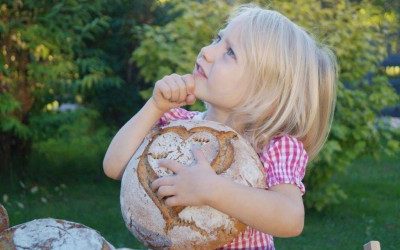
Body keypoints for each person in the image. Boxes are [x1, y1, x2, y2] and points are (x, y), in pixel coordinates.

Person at [103, 3, 337, 249]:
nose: (207, 51)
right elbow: (114, 167)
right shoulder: (176, 124)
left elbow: (290, 218)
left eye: (230, 52)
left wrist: (213, 190)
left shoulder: (271, 146)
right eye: (217, 39)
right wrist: (154, 106)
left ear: (264, 90)